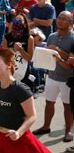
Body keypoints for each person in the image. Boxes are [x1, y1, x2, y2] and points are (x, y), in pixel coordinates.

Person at [32, 11, 74, 142]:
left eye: (64, 19)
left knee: (68, 107)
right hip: (51, 76)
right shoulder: (51, 36)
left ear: (71, 23)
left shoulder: (73, 38)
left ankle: (68, 132)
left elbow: (71, 60)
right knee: (49, 103)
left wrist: (59, 51)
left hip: (67, 79)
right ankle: (46, 126)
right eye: (59, 18)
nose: (60, 20)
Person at [2, 14, 36, 93]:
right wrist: (13, 50)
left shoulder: (29, 38)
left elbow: (29, 58)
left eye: (20, 21)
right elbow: (3, 56)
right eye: (15, 20)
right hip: (9, 72)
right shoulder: (7, 37)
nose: (17, 22)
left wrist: (20, 50)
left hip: (24, 73)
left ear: (24, 24)